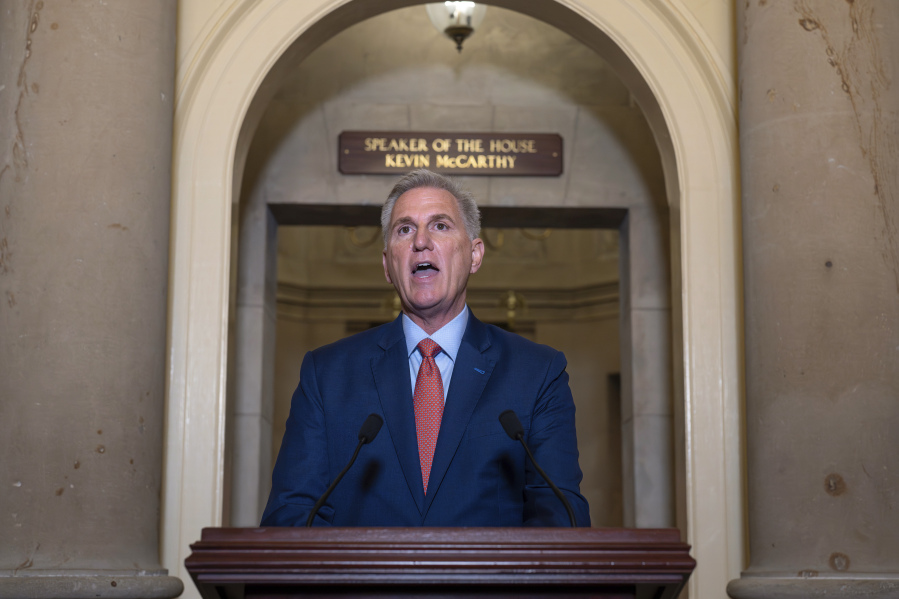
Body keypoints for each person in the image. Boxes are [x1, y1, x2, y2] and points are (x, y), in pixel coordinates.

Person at [261, 169, 590, 527]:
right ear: (388, 265)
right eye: (404, 229)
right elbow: (291, 518)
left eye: (440, 226)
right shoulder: (326, 374)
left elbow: (559, 520)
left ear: (475, 255)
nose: (420, 241)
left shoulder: (538, 372)